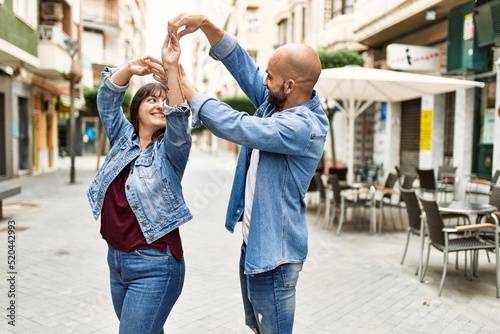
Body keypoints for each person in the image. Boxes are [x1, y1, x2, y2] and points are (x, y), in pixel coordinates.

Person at [167, 14, 329, 334]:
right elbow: (244, 68)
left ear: (290, 85)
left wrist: (187, 88)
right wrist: (207, 27)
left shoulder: (302, 126)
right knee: (255, 328)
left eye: (270, 76)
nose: (263, 80)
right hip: (254, 246)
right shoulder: (278, 103)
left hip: (275, 260)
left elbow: (239, 126)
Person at [86, 33, 192, 334]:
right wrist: (131, 69)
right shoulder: (123, 138)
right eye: (151, 99)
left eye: (163, 100)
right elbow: (107, 100)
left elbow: (179, 117)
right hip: (116, 260)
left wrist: (171, 70)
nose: (159, 105)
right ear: (137, 108)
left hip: (155, 265)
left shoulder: (172, 150)